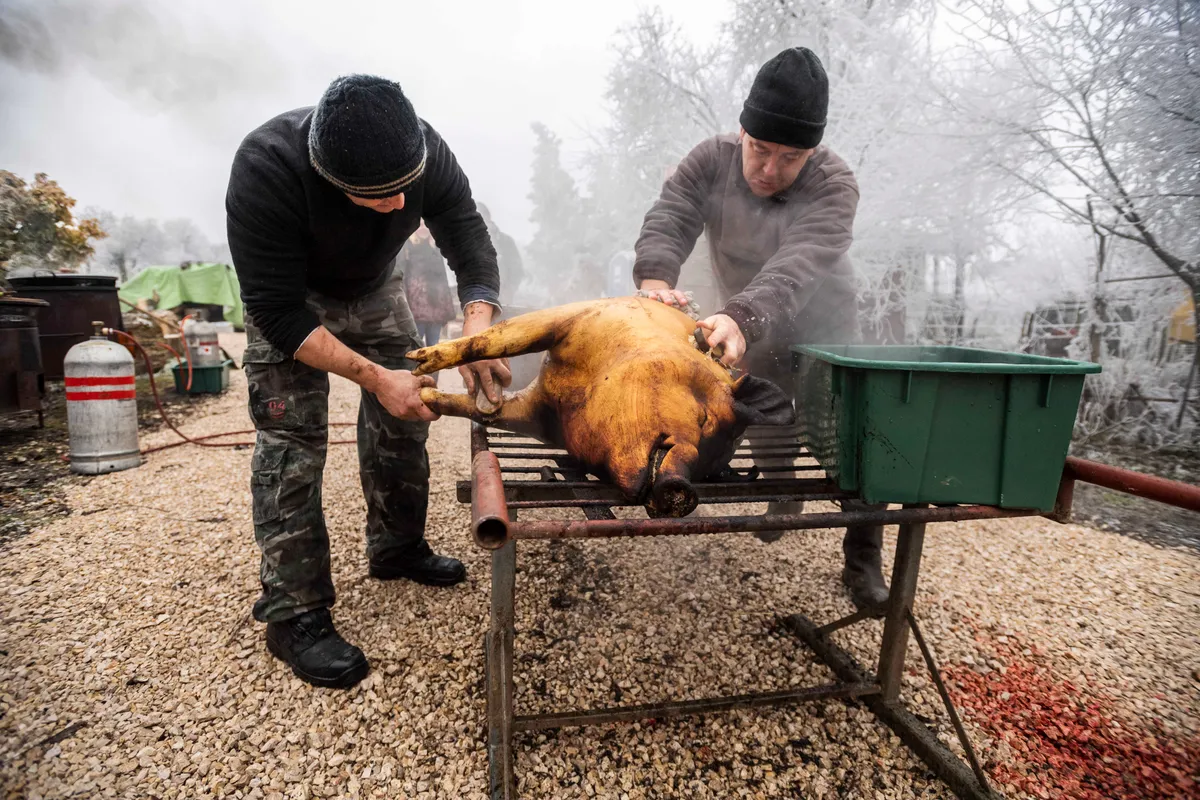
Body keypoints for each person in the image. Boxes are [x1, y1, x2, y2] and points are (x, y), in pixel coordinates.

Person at [226, 74, 511, 689]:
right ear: (328, 178)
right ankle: (293, 610)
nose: (398, 207)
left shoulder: (425, 148)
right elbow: (276, 312)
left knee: (408, 418)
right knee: (290, 446)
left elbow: (467, 234)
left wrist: (476, 332)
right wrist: (376, 377)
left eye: (405, 190)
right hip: (294, 301)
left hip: (378, 290)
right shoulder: (265, 168)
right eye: (377, 197)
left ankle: (396, 546)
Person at [632, 47, 889, 612]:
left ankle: (863, 553)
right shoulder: (710, 160)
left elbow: (799, 262)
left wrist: (743, 316)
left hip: (824, 319)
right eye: (759, 149)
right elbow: (671, 215)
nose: (769, 171)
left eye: (790, 157)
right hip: (747, 316)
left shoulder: (834, 184)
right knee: (766, 405)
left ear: (813, 152)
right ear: (743, 131)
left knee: (856, 434)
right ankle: (783, 497)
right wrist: (654, 282)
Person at [402, 222, 457, 347]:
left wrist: (447, 309)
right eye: (420, 225)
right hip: (415, 306)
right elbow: (403, 276)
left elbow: (443, 279)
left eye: (426, 225)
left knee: (433, 346)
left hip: (436, 305)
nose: (423, 229)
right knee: (415, 345)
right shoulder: (407, 247)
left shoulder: (436, 248)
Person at [477, 203, 525, 305]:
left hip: (502, 299)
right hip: (477, 300)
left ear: (488, 217)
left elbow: (517, 269)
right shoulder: (468, 243)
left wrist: (510, 288)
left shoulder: (506, 242)